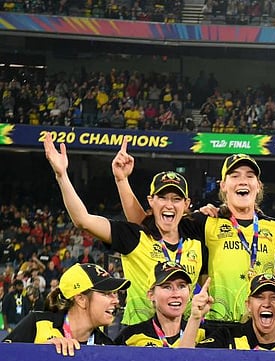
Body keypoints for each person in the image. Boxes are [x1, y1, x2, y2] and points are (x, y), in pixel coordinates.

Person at [45, 137, 202, 326]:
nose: (169, 204)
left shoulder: (198, 240)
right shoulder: (134, 237)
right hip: (138, 338)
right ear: (151, 201)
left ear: (186, 204)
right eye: (162, 197)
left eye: (176, 199)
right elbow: (83, 220)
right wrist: (61, 175)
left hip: (185, 338)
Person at [123, 154, 275, 325]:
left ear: (258, 185)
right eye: (235, 175)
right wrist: (122, 180)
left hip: (261, 325)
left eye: (249, 176)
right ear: (223, 185)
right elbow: (146, 227)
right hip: (218, 325)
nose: (243, 180)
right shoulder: (205, 222)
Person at [4, 263, 130, 355]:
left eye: (115, 293)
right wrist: (39, 354)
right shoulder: (38, 323)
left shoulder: (106, 346)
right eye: (107, 293)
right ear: (81, 299)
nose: (116, 300)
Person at [202, 273, 275, 351]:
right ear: (248, 305)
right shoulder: (227, 338)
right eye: (260, 297)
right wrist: (196, 318)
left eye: (274, 298)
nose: (267, 303)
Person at [114, 262, 214, 348]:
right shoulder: (130, 337)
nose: (176, 294)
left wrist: (195, 319)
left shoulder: (205, 334)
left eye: (181, 286)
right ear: (151, 295)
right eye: (167, 287)